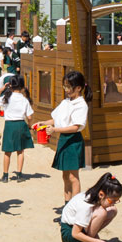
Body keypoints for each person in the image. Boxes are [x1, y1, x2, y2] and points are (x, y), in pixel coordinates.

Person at [46, 69, 90, 203]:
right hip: (64, 139)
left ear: (78, 88)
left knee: (73, 177)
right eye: (65, 86)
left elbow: (76, 127)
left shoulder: (81, 105)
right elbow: (57, 119)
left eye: (69, 87)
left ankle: (75, 205)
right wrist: (43, 123)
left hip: (73, 141)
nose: (66, 90)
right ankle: (67, 204)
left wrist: (55, 130)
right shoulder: (66, 102)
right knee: (65, 175)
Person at [60, 172, 122, 242]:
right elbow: (75, 233)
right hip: (70, 235)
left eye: (116, 201)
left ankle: (90, 241)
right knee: (102, 212)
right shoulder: (85, 205)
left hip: (76, 229)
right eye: (112, 200)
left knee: (112, 210)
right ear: (101, 194)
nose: (113, 203)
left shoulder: (93, 196)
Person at [0, 75, 34, 182]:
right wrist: (29, 125)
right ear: (23, 86)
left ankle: (5, 175)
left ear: (10, 85)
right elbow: (29, 116)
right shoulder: (24, 100)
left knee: (7, 151)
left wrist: (2, 89)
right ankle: (19, 174)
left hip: (9, 125)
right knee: (20, 151)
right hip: (20, 124)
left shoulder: (6, 97)